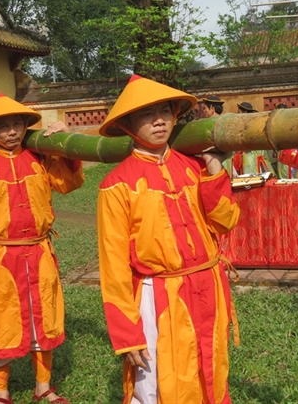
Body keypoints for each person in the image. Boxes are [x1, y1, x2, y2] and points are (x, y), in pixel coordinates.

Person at [97, 74, 240, 403]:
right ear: (129, 124)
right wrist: (126, 334)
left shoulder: (194, 168)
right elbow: (113, 266)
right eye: (147, 114)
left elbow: (225, 222)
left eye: (164, 110)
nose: (159, 120)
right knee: (158, 379)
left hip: (208, 285)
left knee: (211, 363)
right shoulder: (116, 184)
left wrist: (215, 172)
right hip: (157, 293)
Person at [0, 94, 84, 404]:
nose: (12, 131)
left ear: (26, 126)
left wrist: (63, 143)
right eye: (4, 126)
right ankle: (2, 392)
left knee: (45, 319)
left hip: (38, 253)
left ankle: (44, 386)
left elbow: (68, 183)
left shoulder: (39, 157)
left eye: (17, 124)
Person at [229, 101, 276, 176]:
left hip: (250, 154)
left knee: (251, 175)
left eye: (239, 112)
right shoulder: (248, 124)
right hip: (253, 153)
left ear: (244, 111)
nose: (238, 114)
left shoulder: (249, 125)